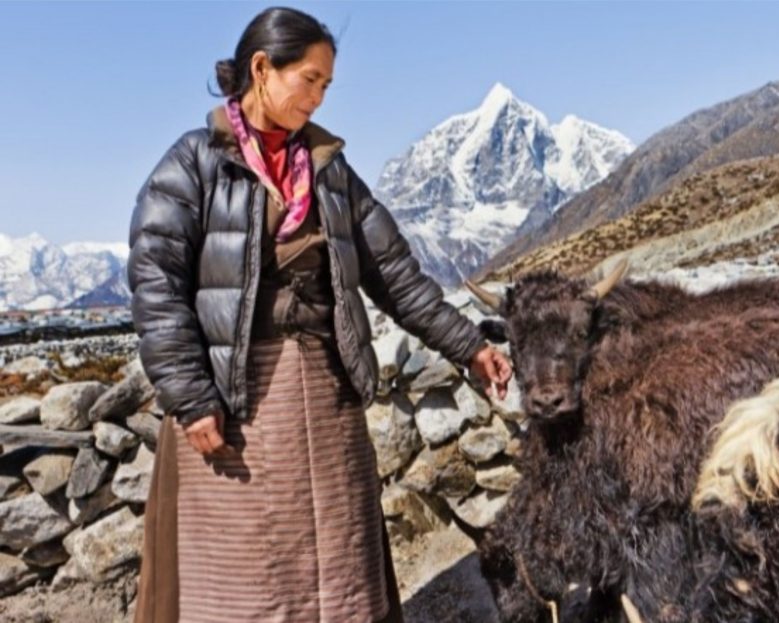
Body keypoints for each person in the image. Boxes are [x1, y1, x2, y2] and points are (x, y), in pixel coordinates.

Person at [126, 7, 513, 622]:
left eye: (326, 85)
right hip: (236, 402)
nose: (319, 96)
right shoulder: (195, 164)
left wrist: (468, 346)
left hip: (326, 401)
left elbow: (396, 276)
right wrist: (190, 395)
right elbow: (156, 285)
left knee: (341, 561)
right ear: (261, 70)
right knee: (247, 569)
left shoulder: (329, 171)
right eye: (309, 79)